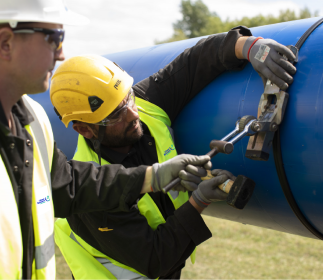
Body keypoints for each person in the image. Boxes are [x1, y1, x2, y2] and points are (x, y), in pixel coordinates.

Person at [51, 25, 297, 280]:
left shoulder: (145, 102)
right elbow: (155, 258)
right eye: (116, 114)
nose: (133, 113)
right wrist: (198, 200)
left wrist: (249, 46)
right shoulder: (91, 191)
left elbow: (195, 61)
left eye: (127, 98)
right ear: (85, 130)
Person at [0, 1, 213, 279]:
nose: (61, 53)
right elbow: (155, 257)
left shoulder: (32, 118)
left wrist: (153, 176)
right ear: (6, 42)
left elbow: (70, 184)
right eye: (54, 38)